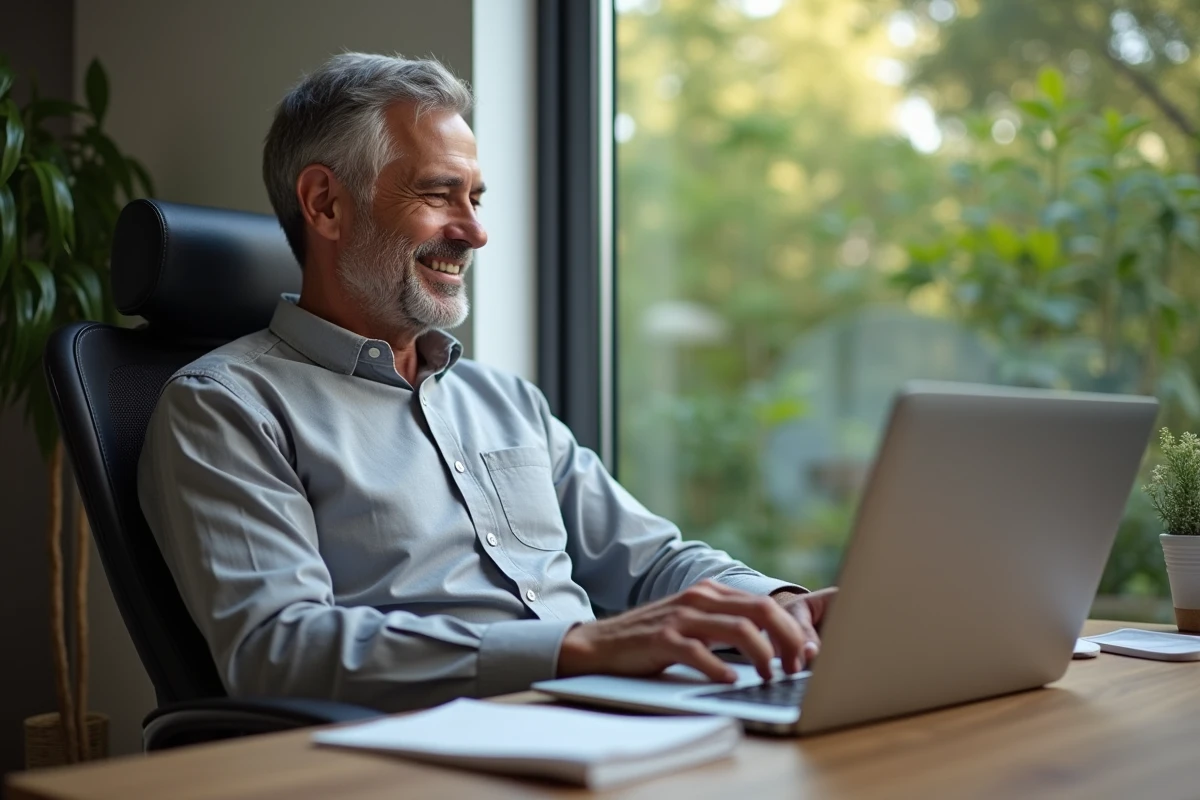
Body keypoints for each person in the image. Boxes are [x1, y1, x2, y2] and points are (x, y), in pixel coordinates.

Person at [139, 53, 836, 712]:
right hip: (417, 755)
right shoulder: (226, 406)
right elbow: (280, 649)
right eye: (440, 195)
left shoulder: (504, 401)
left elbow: (652, 562)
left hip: (600, 719)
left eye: (475, 197)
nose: (475, 232)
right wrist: (575, 647)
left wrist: (780, 605)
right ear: (325, 204)